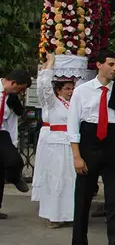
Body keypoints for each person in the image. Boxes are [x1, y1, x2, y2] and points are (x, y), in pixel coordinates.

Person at [67, 49, 115, 245]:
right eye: (111, 64)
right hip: (89, 141)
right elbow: (73, 125)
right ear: (99, 65)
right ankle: (79, 244)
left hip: (113, 143)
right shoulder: (83, 91)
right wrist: (77, 156)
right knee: (84, 196)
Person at [32, 56, 75, 227]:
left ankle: (69, 213)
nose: (70, 91)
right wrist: (49, 65)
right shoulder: (52, 102)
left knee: (70, 178)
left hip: (70, 144)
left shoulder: (71, 103)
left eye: (72, 88)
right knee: (56, 178)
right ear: (58, 90)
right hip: (56, 144)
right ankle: (54, 215)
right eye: (67, 88)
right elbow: (43, 87)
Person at [0, 69, 31, 216]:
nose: (19, 92)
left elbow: (12, 121)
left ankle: (14, 178)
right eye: (19, 89)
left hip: (2, 133)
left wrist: (14, 142)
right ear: (12, 83)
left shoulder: (11, 98)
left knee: (14, 161)